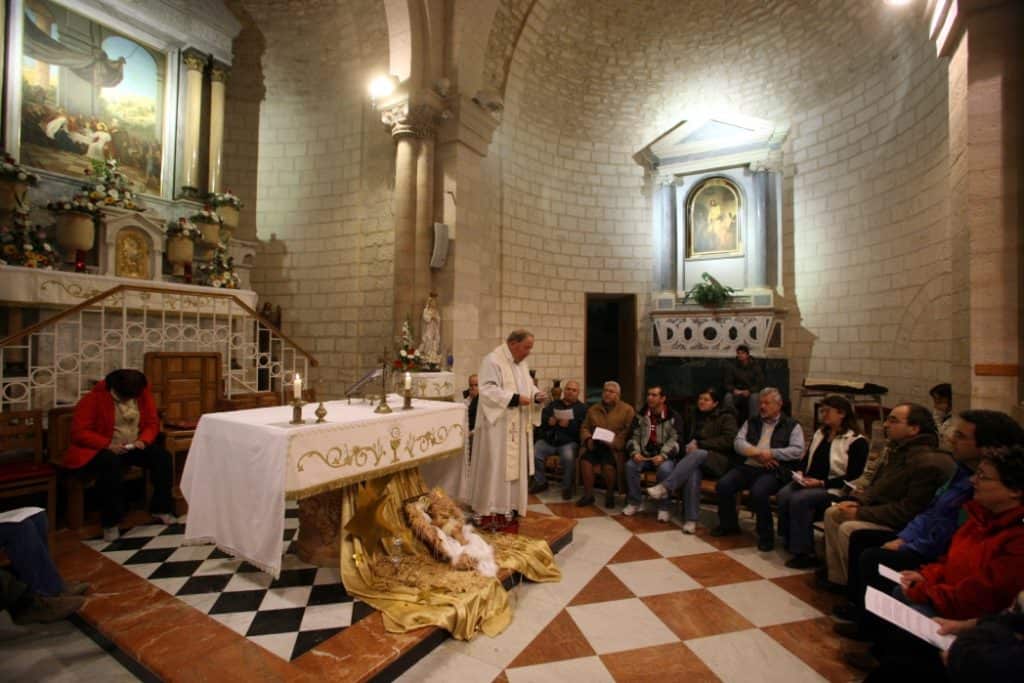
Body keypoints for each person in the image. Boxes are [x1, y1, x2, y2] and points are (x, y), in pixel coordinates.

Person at [835, 410, 1024, 634]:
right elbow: (932, 512)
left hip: (934, 554)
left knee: (873, 556)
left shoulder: (944, 470)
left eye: (961, 436)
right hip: (931, 549)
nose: (952, 439)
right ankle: (863, 612)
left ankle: (872, 628)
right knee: (861, 539)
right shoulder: (963, 475)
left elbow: (946, 536)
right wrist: (905, 539)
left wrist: (921, 571)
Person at [821, 403, 955, 587]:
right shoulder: (897, 450)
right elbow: (877, 486)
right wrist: (856, 501)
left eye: (893, 421)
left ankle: (854, 586)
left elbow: (909, 511)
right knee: (834, 512)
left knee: (849, 528)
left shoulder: (926, 461)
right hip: (882, 509)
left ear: (914, 429)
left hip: (901, 522)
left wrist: (861, 513)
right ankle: (838, 579)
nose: (885, 425)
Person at [895, 445, 1024, 620]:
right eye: (976, 473)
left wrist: (927, 592)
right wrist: (926, 576)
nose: (973, 481)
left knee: (914, 614)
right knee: (899, 590)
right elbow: (950, 563)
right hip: (950, 596)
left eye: (982, 477)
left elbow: (985, 595)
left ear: (1015, 491)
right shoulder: (980, 517)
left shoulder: (1017, 537)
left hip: (976, 617)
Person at [68, 369, 176, 542]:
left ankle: (161, 507)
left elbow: (152, 422)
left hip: (131, 444)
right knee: (111, 466)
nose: (129, 399)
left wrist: (144, 440)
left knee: (162, 457)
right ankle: (111, 522)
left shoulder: (141, 394)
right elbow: (79, 433)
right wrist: (107, 444)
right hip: (102, 449)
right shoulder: (93, 399)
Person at [777, 395, 869, 568]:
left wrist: (821, 483)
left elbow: (854, 476)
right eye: (822, 411)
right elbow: (807, 458)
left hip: (834, 487)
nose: (823, 415)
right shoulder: (821, 433)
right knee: (783, 494)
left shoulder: (856, 441)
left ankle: (804, 552)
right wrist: (801, 472)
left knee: (800, 500)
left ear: (841, 413)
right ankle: (790, 539)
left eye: (827, 411)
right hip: (810, 481)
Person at [713, 387, 804, 551]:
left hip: (774, 471)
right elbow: (738, 442)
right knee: (723, 485)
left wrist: (771, 453)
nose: (762, 406)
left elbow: (797, 450)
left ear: (779, 405)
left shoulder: (792, 425)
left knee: (759, 492)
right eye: (761, 403)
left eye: (767, 403)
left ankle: (766, 535)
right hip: (749, 466)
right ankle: (729, 525)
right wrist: (757, 454)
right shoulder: (752, 421)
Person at [465, 330, 545, 516]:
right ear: (513, 344)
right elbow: (487, 390)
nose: (529, 352)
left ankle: (511, 505)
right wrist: (515, 399)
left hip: (517, 424)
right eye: (527, 347)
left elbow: (529, 386)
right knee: (497, 465)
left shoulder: (521, 364)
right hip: (498, 427)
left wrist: (536, 395)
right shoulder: (492, 360)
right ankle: (492, 506)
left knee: (515, 467)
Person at [646, 387, 738, 534]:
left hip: (717, 460)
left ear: (715, 403)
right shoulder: (693, 414)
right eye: (700, 399)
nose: (702, 402)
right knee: (693, 473)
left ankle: (666, 487)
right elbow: (684, 438)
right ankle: (691, 519)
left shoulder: (726, 417)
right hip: (693, 461)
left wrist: (701, 445)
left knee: (699, 453)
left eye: (706, 400)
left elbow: (729, 440)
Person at [622, 386, 680, 523]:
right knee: (630, 465)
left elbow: (676, 440)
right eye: (648, 395)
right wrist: (635, 453)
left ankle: (664, 507)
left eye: (654, 395)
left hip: (664, 456)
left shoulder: (673, 416)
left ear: (663, 398)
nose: (650, 398)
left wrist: (663, 456)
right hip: (644, 455)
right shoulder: (641, 415)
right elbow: (633, 437)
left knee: (665, 469)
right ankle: (635, 502)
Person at [578, 381, 635, 508]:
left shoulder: (627, 410)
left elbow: (628, 431)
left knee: (608, 466)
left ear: (618, 395)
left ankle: (610, 494)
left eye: (611, 392)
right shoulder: (593, 409)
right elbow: (585, 427)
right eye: (605, 391)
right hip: (596, 444)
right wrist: (588, 440)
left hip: (613, 448)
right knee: (585, 461)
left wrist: (614, 442)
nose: (607, 394)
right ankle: (588, 495)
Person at [529, 380, 587, 500]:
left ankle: (566, 487)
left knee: (568, 457)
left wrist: (569, 425)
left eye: (573, 390)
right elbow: (542, 419)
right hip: (550, 440)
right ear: (564, 391)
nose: (570, 392)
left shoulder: (582, 409)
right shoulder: (554, 404)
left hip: (568, 442)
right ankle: (541, 482)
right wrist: (549, 421)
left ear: (578, 393)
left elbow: (583, 429)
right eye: (568, 389)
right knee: (535, 452)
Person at [722, 345, 764, 421]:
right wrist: (734, 390)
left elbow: (760, 384)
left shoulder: (755, 366)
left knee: (755, 397)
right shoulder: (732, 366)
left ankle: (753, 422)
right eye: (738, 353)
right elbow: (727, 383)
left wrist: (750, 391)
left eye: (742, 353)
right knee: (728, 397)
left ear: (747, 355)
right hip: (737, 392)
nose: (740, 355)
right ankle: (731, 421)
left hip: (751, 392)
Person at [420, 292, 442, 367]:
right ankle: (427, 355)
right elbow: (425, 319)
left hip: (434, 328)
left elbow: (439, 319)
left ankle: (433, 356)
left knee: (435, 341)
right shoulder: (426, 310)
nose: (433, 304)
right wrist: (431, 317)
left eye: (434, 302)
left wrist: (436, 318)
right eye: (432, 302)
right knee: (428, 340)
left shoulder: (436, 311)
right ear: (429, 303)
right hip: (428, 328)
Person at [931, 382, 955, 450]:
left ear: (951, 402)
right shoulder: (943, 416)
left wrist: (937, 418)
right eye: (935, 402)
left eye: (939, 402)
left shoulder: (955, 420)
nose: (935, 406)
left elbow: (943, 438)